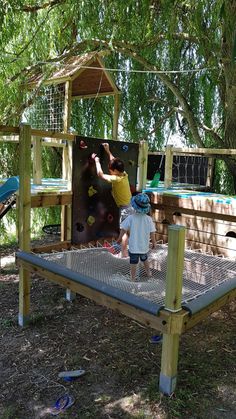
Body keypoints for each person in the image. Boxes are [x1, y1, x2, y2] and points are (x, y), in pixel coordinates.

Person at [92, 143, 133, 256]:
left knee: (125, 233)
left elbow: (100, 174)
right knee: (126, 231)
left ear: (115, 171)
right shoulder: (124, 174)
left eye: (110, 170)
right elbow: (115, 161)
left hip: (125, 208)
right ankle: (122, 247)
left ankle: (124, 253)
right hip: (129, 206)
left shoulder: (116, 179)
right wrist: (108, 151)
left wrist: (97, 162)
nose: (109, 171)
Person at [116, 193, 156, 280]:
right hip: (144, 246)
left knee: (133, 262)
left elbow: (123, 229)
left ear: (134, 206)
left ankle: (133, 278)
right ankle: (149, 273)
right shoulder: (148, 219)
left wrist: (119, 239)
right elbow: (152, 232)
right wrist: (154, 242)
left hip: (134, 247)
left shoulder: (131, 218)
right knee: (144, 259)